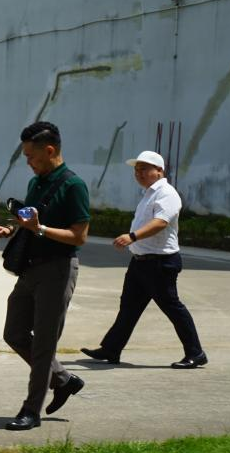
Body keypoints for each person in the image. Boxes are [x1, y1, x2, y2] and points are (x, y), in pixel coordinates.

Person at [0, 121, 89, 431]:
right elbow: (28, 219)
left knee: (44, 344)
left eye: (31, 156)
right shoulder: (36, 183)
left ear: (50, 150)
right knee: (14, 332)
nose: (28, 161)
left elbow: (79, 236)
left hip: (58, 269)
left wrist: (41, 229)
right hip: (30, 268)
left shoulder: (74, 185)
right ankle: (64, 379)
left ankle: (31, 411)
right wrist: (10, 229)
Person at [81, 151, 208, 370]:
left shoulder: (167, 193)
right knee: (128, 308)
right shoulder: (149, 193)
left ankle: (196, 353)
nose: (139, 173)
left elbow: (161, 222)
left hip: (160, 263)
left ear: (159, 171)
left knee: (172, 307)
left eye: (144, 169)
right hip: (140, 262)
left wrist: (132, 237)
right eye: (136, 170)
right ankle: (111, 349)